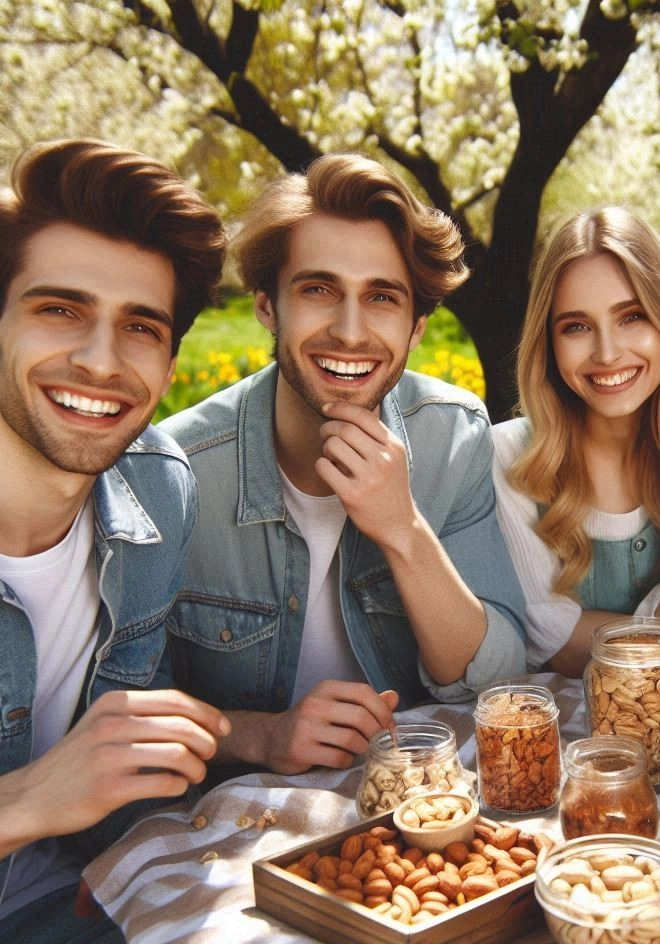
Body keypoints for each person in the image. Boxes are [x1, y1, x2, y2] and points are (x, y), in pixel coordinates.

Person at [158, 153, 526, 777]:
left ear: (415, 328)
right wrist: (261, 736)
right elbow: (124, 709)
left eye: (382, 297)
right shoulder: (176, 473)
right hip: (239, 825)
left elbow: (495, 677)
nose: (350, 332)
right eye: (319, 290)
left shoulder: (454, 435)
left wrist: (403, 528)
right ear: (268, 307)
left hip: (420, 798)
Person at [0, 139, 230, 944]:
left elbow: (124, 720)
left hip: (79, 917)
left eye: (141, 325)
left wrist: (260, 732)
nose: (102, 361)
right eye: (61, 309)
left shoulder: (157, 493)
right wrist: (30, 800)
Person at [492, 206, 660, 678]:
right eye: (576, 326)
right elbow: (551, 642)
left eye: (632, 317)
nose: (608, 352)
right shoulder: (509, 457)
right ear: (549, 343)